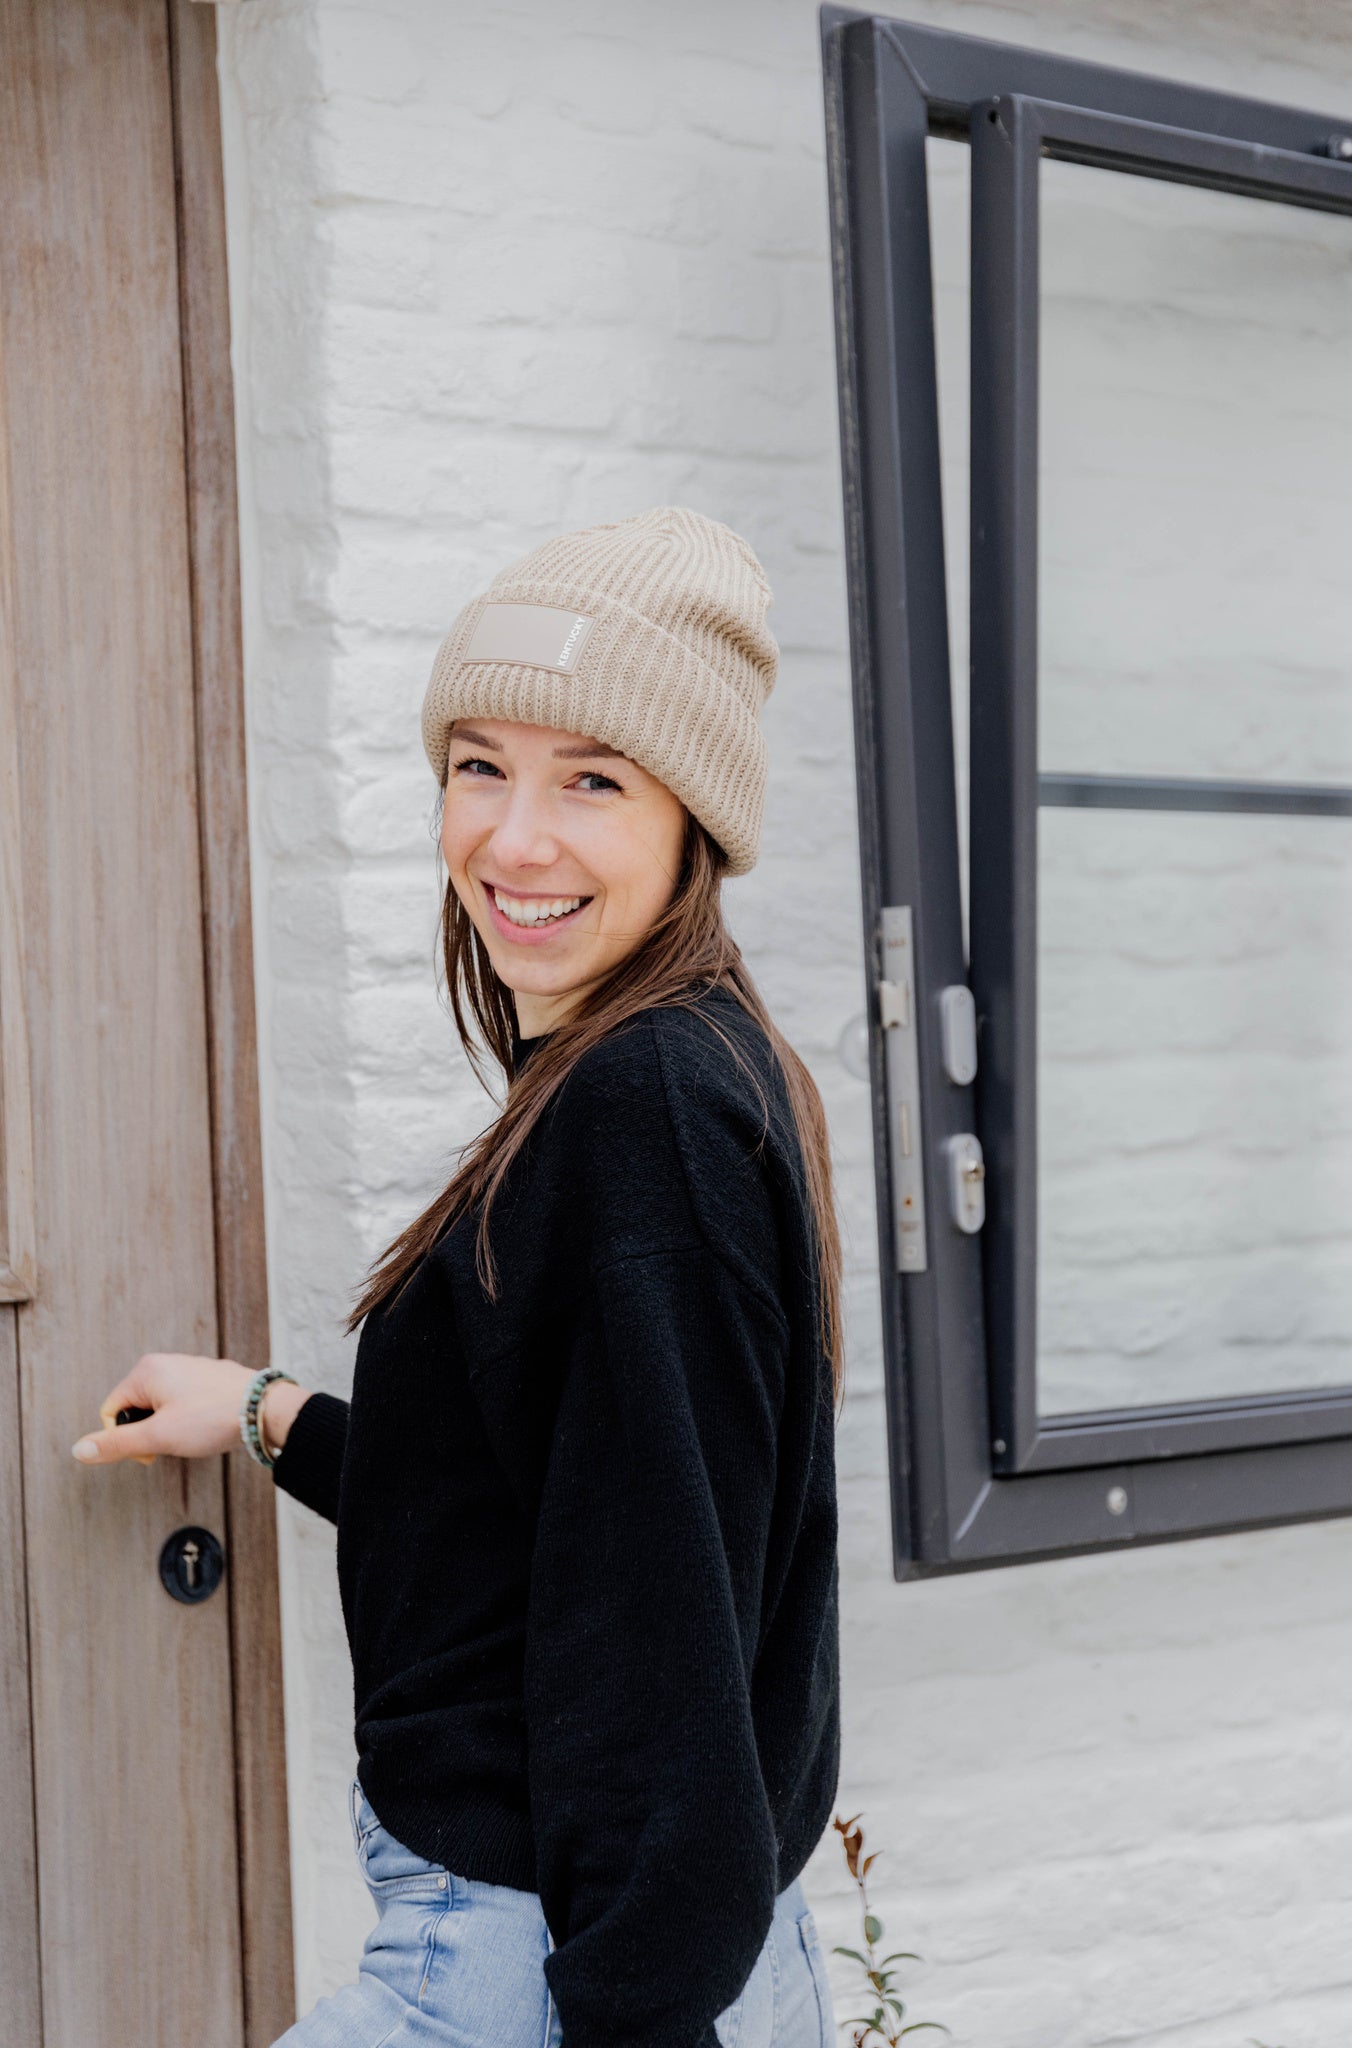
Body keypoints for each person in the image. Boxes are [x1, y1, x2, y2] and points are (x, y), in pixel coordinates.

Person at [76, 507, 842, 2048]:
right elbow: (551, 1513)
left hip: (540, 1969)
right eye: (478, 764)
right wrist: (265, 1413)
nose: (512, 838)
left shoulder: (644, 1116)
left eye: (592, 780)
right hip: (632, 1943)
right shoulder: (664, 1077)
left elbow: (658, 1637)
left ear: (697, 821)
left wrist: (632, 2020)